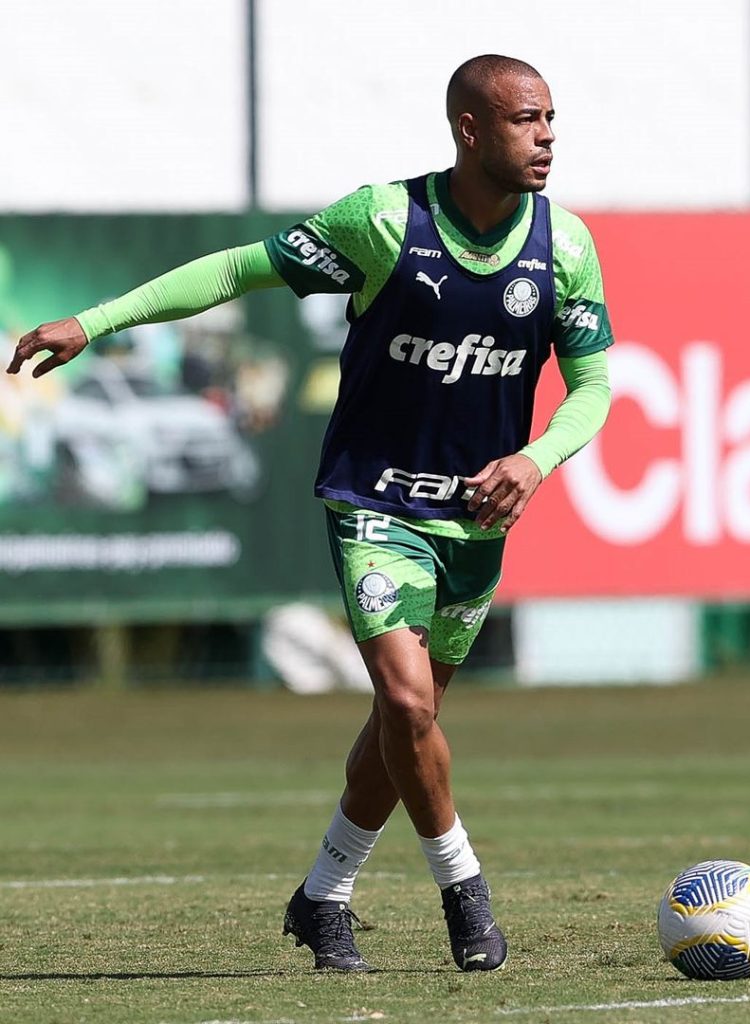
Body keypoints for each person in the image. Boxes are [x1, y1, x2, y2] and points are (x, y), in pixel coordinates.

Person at [7, 54, 614, 973]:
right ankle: (465, 894)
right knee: (408, 703)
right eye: (527, 120)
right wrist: (96, 323)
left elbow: (595, 387)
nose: (547, 136)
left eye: (551, 118)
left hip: (477, 523)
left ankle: (322, 896)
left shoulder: (563, 246)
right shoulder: (382, 221)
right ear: (469, 129)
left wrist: (534, 460)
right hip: (374, 502)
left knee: (401, 729)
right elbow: (233, 273)